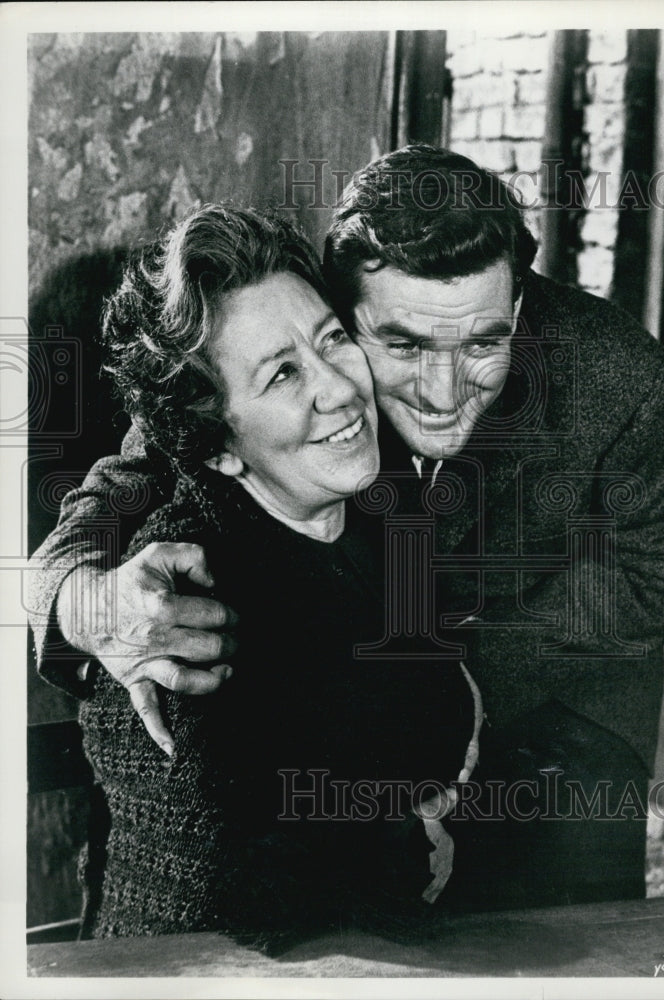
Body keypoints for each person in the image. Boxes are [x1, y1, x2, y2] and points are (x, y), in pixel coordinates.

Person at [29, 145, 664, 911]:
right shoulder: (303, 326)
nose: (442, 392)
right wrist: (77, 600)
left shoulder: (625, 375)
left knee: (561, 943)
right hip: (358, 698)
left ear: (518, 306)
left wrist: (470, 667)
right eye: (401, 344)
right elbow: (134, 475)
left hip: (563, 708)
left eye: (483, 343)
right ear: (343, 305)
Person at [65, 204, 480, 950]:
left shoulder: (374, 507)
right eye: (283, 374)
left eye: (332, 340)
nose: (340, 388)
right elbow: (243, 883)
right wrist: (403, 837)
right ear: (218, 446)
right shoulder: (177, 596)